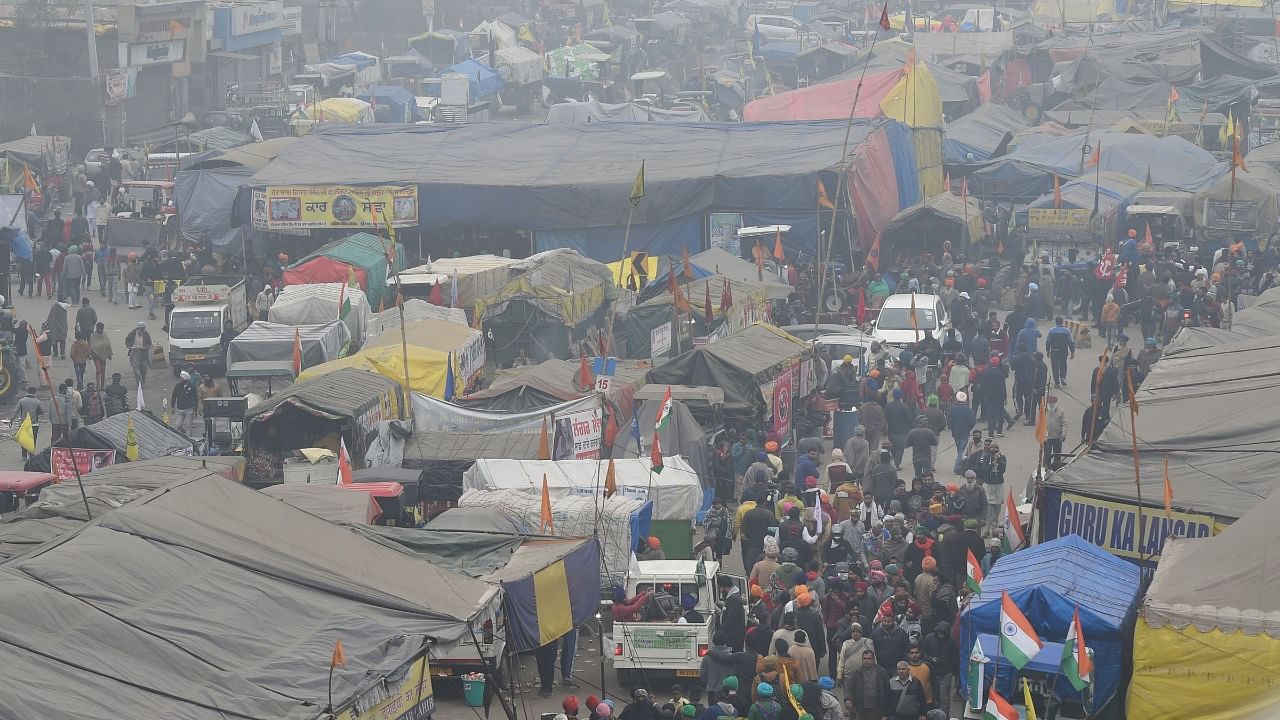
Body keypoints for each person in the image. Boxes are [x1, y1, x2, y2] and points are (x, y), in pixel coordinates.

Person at [920, 622, 956, 707]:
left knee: (944, 699)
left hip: (946, 673)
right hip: (931, 672)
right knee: (930, 698)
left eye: (943, 633)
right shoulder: (928, 639)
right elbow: (923, 653)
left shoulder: (951, 642)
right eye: (939, 633)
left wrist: (954, 671)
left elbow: (954, 658)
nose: (941, 635)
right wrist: (931, 659)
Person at [846, 650, 890, 720]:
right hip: (861, 709)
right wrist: (848, 699)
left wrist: (885, 714)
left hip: (877, 709)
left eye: (869, 658)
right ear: (862, 660)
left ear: (873, 659)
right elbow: (849, 688)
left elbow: (887, 692)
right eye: (865, 658)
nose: (867, 661)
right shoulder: (856, 673)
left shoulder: (881, 672)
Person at [947, 392, 975, 475]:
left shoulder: (952, 409)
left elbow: (949, 420)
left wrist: (952, 427)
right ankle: (958, 467)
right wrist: (969, 428)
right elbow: (972, 421)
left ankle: (959, 464)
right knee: (961, 451)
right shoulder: (968, 410)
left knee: (959, 449)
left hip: (955, 432)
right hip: (965, 432)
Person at [11, 387, 42, 460]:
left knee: (24, 440)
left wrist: (11, 420)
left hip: (24, 424)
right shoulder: (37, 401)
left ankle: (24, 456)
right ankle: (32, 456)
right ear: (35, 392)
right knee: (33, 440)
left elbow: (16, 411)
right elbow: (42, 411)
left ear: (27, 392)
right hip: (34, 424)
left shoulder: (21, 401)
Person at [884, 390, 912, 469]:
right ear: (901, 397)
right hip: (902, 431)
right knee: (900, 448)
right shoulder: (904, 406)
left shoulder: (888, 406)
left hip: (891, 430)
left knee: (892, 447)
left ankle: (892, 461)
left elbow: (885, 417)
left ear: (893, 396)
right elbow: (909, 419)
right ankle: (897, 464)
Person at [1045, 317, 1075, 387]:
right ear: (1062, 322)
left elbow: (1048, 341)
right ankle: (1062, 377)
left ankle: (1057, 382)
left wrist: (1047, 350)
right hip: (1063, 351)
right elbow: (1071, 342)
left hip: (1054, 350)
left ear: (1056, 322)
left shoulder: (1051, 330)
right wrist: (1072, 352)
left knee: (1055, 366)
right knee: (1063, 364)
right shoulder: (1067, 331)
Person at [126, 322, 152, 389]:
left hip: (143, 353)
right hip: (134, 353)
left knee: (144, 369)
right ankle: (139, 384)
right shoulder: (132, 333)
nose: (142, 331)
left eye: (143, 329)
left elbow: (149, 343)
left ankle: (142, 380)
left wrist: (144, 347)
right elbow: (127, 341)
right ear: (138, 329)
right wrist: (129, 346)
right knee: (136, 370)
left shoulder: (146, 334)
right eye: (141, 329)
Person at [171, 371, 198, 435]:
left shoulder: (192, 386)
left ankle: (189, 439)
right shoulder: (177, 386)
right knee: (178, 425)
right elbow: (174, 396)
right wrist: (172, 406)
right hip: (179, 409)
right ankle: (183, 432)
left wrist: (195, 409)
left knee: (188, 426)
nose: (180, 379)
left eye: (181, 377)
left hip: (189, 409)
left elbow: (195, 398)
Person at [1044, 395, 1067, 468]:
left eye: (1052, 402)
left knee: (1057, 455)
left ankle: (1057, 469)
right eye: (1049, 402)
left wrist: (1063, 434)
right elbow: (1040, 424)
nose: (1051, 404)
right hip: (1047, 438)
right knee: (1047, 455)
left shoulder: (1061, 411)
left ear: (1056, 402)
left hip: (1057, 437)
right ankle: (1046, 469)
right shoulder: (1044, 411)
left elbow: (1064, 423)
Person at [88, 322, 113, 388]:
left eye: (101, 328)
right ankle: (98, 383)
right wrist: (90, 354)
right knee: (98, 369)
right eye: (98, 328)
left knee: (103, 370)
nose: (100, 329)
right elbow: (91, 346)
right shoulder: (93, 336)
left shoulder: (105, 336)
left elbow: (108, 345)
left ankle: (102, 385)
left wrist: (109, 354)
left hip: (104, 356)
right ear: (97, 328)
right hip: (96, 356)